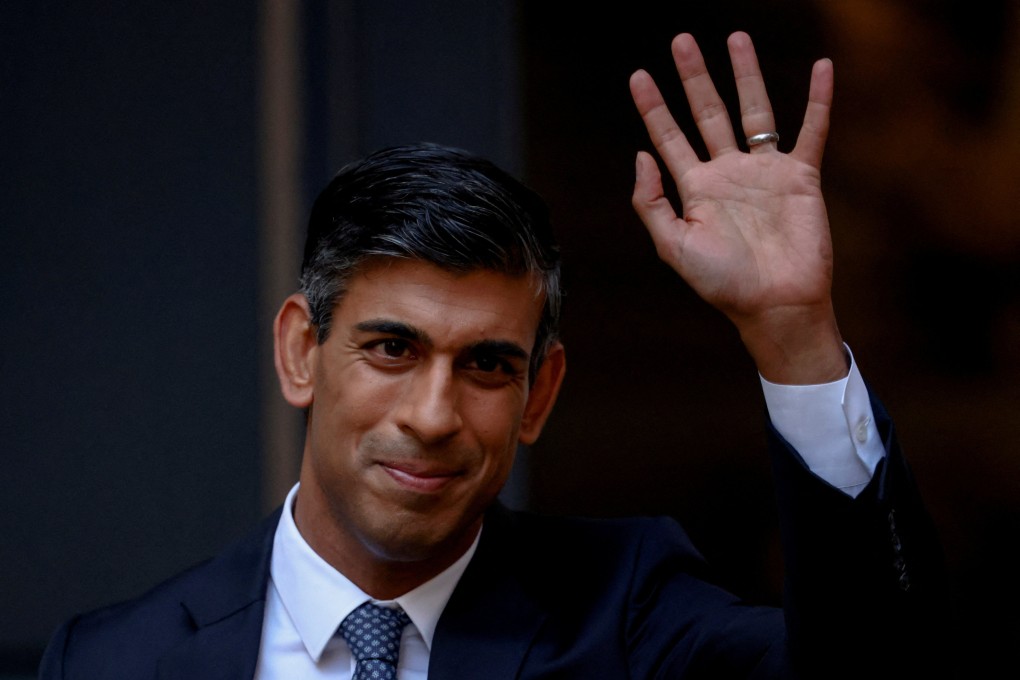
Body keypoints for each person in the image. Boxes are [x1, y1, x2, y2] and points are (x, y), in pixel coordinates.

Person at [39, 32, 948, 679]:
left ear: (540, 392)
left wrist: (793, 334)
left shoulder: (628, 615)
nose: (433, 416)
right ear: (300, 352)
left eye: (486, 366)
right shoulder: (114, 659)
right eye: (392, 348)